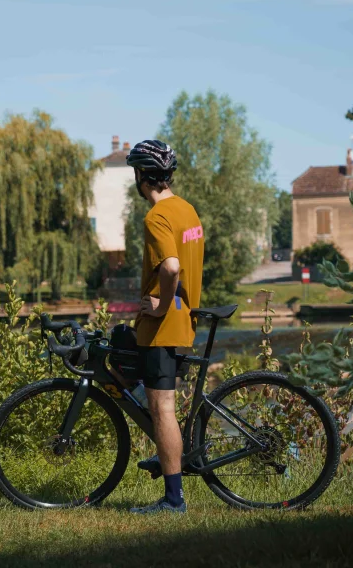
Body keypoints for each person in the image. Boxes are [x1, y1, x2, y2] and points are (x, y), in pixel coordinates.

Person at [125, 139, 204, 515]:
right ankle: (166, 455)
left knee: (163, 409)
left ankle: (174, 500)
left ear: (142, 176)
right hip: (184, 318)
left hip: (164, 324)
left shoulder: (156, 216)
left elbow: (171, 267)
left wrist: (158, 307)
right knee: (155, 402)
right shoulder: (187, 211)